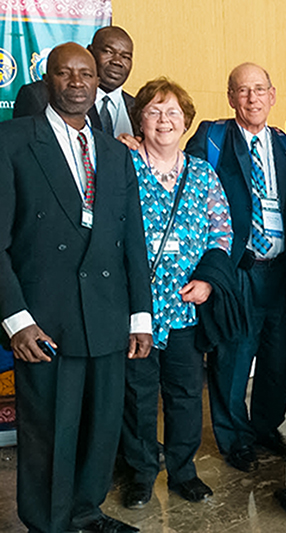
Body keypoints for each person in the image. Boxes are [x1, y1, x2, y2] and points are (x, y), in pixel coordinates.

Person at [0, 42, 152, 533]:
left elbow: (132, 238)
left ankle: (87, 513)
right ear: (48, 81)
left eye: (85, 73)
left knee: (101, 426)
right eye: (64, 74)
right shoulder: (12, 141)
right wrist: (16, 319)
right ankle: (48, 522)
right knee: (51, 429)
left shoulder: (114, 152)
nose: (77, 82)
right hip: (44, 320)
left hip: (107, 315)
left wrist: (140, 316)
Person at [119, 78, 233, 508]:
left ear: (186, 121)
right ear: (140, 120)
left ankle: (183, 471)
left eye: (172, 113)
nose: (164, 120)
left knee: (185, 395)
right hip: (138, 309)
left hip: (185, 307)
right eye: (153, 111)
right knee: (139, 397)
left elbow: (222, 231)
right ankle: (142, 474)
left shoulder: (202, 173)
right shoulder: (124, 168)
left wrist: (206, 280)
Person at [185, 62, 286, 472]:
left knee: (275, 361)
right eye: (242, 91)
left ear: (272, 95)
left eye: (259, 90)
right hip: (237, 271)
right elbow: (188, 190)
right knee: (232, 360)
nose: (252, 98)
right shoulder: (213, 138)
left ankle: (266, 429)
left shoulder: (285, 146)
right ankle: (235, 439)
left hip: (279, 272)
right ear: (231, 97)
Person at [13, 26, 136, 137]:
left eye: (125, 57)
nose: (117, 62)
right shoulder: (38, 95)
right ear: (90, 51)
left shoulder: (140, 107)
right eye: (108, 52)